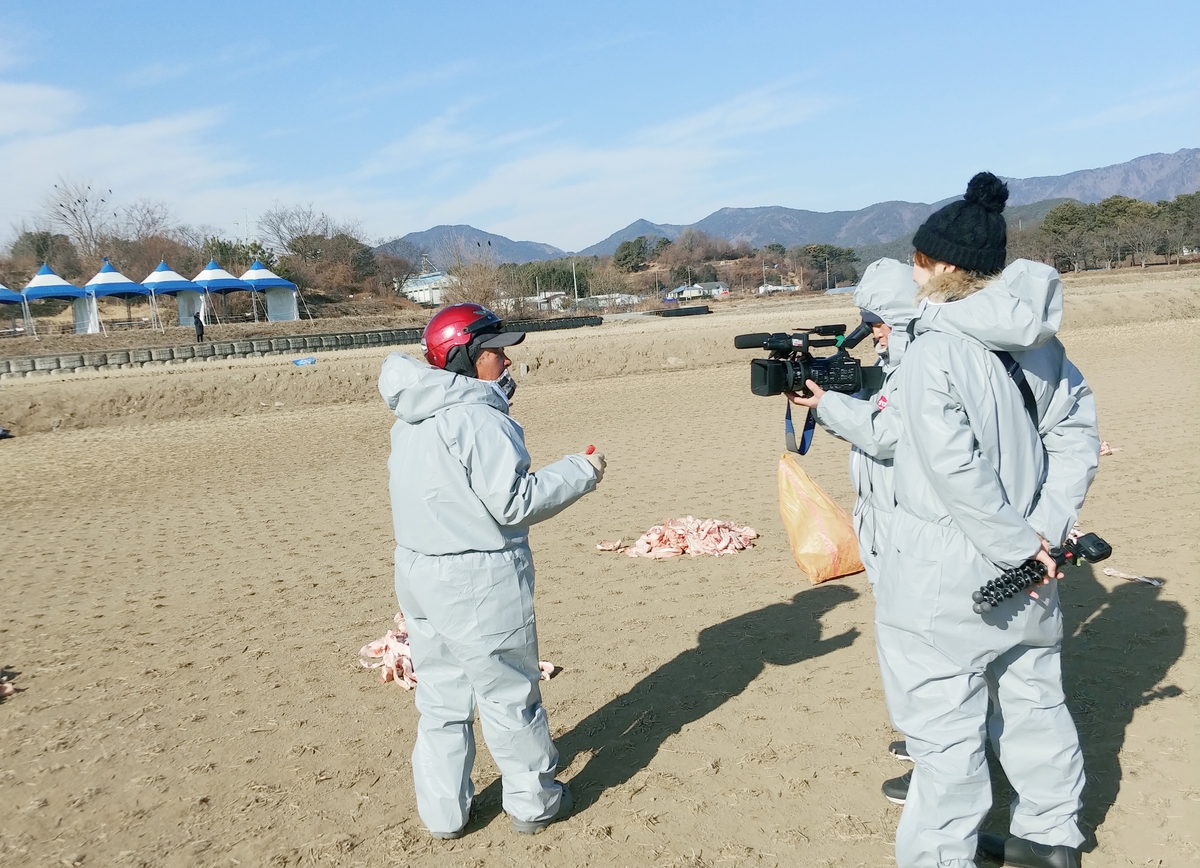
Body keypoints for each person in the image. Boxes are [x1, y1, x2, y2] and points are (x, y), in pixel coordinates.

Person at [875, 172, 1099, 868]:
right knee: (1036, 703)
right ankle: (1051, 840)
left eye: (917, 259)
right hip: (1037, 566)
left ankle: (943, 856)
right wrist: (1045, 533)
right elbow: (1076, 436)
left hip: (948, 574)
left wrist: (1012, 546)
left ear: (939, 266)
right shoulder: (1044, 346)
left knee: (943, 736)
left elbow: (954, 474)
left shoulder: (932, 352)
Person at [378, 302, 605, 840]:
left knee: (439, 696)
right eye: (495, 351)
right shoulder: (478, 418)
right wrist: (582, 470)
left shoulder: (411, 417)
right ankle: (533, 803)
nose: (506, 361)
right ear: (464, 356)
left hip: (419, 572)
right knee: (508, 693)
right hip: (476, 576)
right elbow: (515, 504)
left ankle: (444, 813)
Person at [786, 258, 919, 779]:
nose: (873, 334)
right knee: (899, 637)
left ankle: (937, 755)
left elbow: (888, 436)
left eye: (878, 322)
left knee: (914, 641)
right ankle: (923, 736)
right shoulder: (897, 366)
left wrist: (828, 405)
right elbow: (875, 424)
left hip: (908, 522)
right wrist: (834, 398)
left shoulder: (923, 368)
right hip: (885, 518)